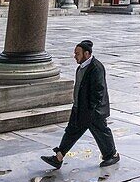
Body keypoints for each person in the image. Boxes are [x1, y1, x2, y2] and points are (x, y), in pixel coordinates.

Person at [40, 39, 120, 169]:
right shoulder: (81, 67)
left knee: (101, 132)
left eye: (77, 54)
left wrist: (91, 108)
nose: (75, 56)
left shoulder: (96, 67)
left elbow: (99, 90)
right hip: (79, 108)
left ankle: (112, 155)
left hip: (92, 111)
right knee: (71, 131)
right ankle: (58, 157)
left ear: (87, 54)